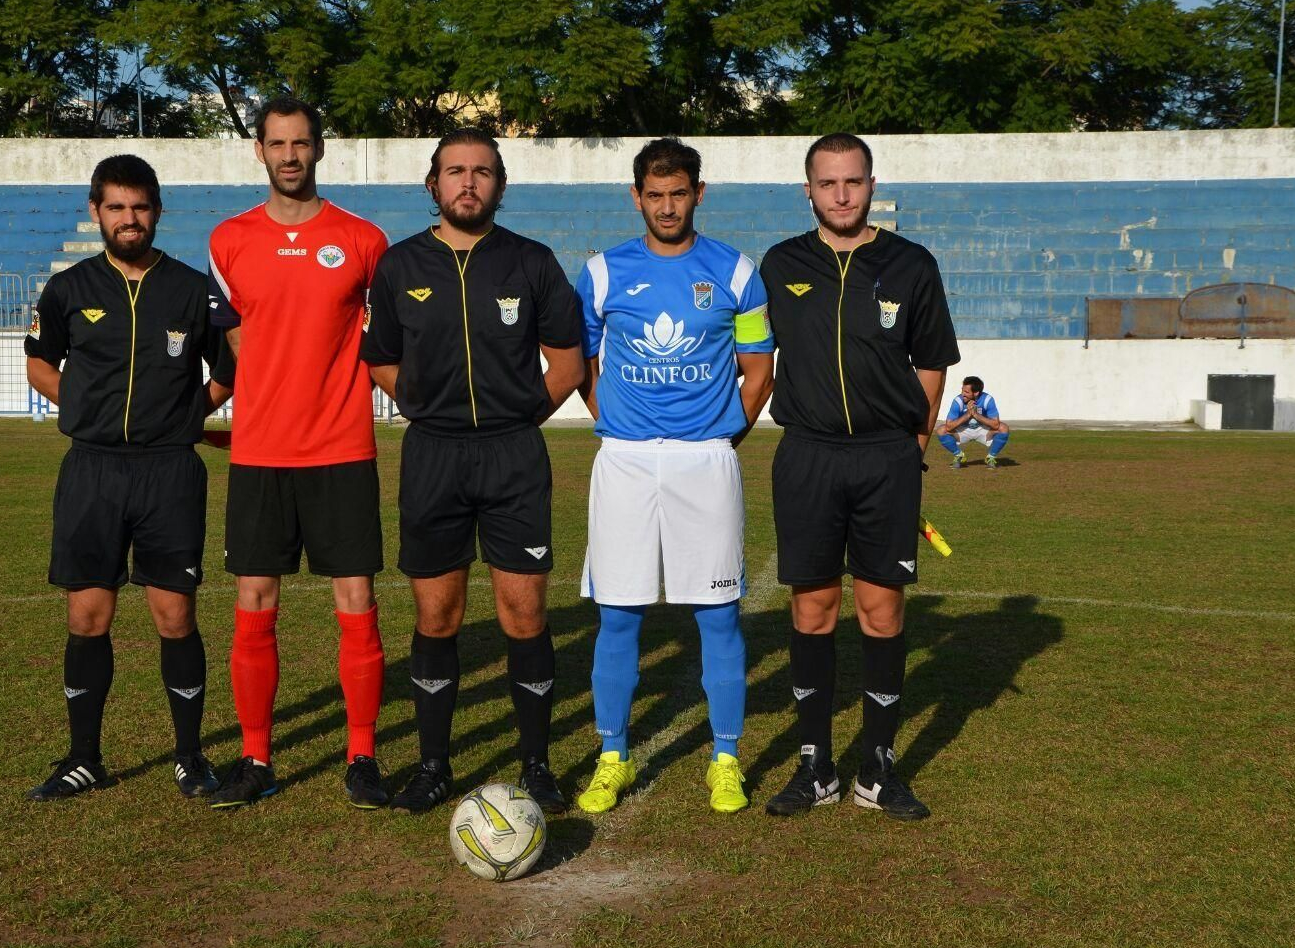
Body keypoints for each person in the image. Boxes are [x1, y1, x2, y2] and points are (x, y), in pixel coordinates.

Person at [361, 128, 584, 815]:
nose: (468, 182)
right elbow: (382, 360)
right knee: (438, 612)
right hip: (434, 455)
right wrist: (433, 410)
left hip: (514, 457)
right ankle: (433, 765)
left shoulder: (532, 262)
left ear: (499, 184)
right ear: (434, 184)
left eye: (482, 171)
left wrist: (512, 421)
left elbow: (568, 364)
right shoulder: (400, 267)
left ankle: (537, 763)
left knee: (524, 611)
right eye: (455, 170)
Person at [758, 133, 960, 821]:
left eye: (853, 181)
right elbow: (754, 354)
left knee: (882, 609)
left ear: (872, 185)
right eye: (827, 182)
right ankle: (815, 765)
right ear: (807, 190)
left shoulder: (910, 264)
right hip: (808, 455)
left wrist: (913, 444)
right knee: (812, 608)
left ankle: (878, 766)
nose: (841, 194)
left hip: (885, 459)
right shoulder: (781, 263)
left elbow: (932, 362)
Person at [571, 138, 774, 815]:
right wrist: (618, 423)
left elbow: (758, 371)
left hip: (705, 462)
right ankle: (613, 756)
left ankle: (725, 758)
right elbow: (584, 365)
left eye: (678, 193)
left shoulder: (738, 272)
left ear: (698, 193)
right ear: (636, 198)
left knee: (718, 613)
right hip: (625, 462)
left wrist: (717, 437)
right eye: (653, 195)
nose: (666, 206)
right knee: (618, 612)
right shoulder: (601, 274)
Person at [24, 154, 233, 801]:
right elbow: (38, 364)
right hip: (92, 470)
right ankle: (84, 756)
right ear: (96, 212)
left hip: (169, 471)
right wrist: (86, 412)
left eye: (140, 207)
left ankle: (190, 755)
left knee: (174, 614)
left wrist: (184, 416)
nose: (129, 219)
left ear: (157, 210)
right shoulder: (68, 289)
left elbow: (227, 371)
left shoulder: (192, 290)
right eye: (116, 207)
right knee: (88, 614)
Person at [204, 96, 391, 810]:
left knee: (357, 599)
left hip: (342, 447)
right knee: (254, 600)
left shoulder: (364, 240)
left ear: (319, 149)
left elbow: (383, 338)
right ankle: (256, 756)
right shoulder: (228, 241)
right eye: (277, 143)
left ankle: (362, 755)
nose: (290, 155)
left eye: (301, 143)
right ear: (259, 150)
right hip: (260, 453)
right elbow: (237, 343)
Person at [936, 376, 1010, 468]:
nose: (962, 394)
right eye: (962, 390)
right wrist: (967, 415)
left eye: (966, 392)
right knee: (941, 430)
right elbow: (949, 427)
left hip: (983, 430)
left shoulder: (987, 400)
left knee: (1003, 428)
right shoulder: (958, 401)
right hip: (963, 430)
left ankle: (991, 457)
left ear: (976, 393)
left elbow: (995, 424)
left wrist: (975, 415)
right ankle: (959, 455)